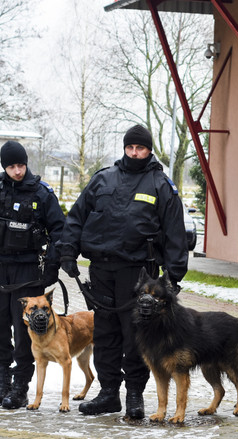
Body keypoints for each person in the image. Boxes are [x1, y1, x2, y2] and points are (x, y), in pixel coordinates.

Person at [57, 124, 188, 419]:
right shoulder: (103, 179)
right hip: (102, 269)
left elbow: (175, 232)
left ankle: (134, 396)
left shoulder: (160, 184)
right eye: (130, 147)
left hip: (139, 273)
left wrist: (175, 274)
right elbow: (77, 217)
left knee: (136, 335)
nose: (134, 153)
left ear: (149, 150)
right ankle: (108, 394)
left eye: (140, 148)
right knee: (105, 333)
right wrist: (68, 250)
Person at [0, 140, 64, 409]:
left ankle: (20, 387)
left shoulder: (42, 194)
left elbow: (59, 231)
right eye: (12, 166)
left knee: (24, 333)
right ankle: (3, 383)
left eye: (21, 165)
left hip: (28, 272)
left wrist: (53, 265)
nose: (18, 171)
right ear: (4, 167)